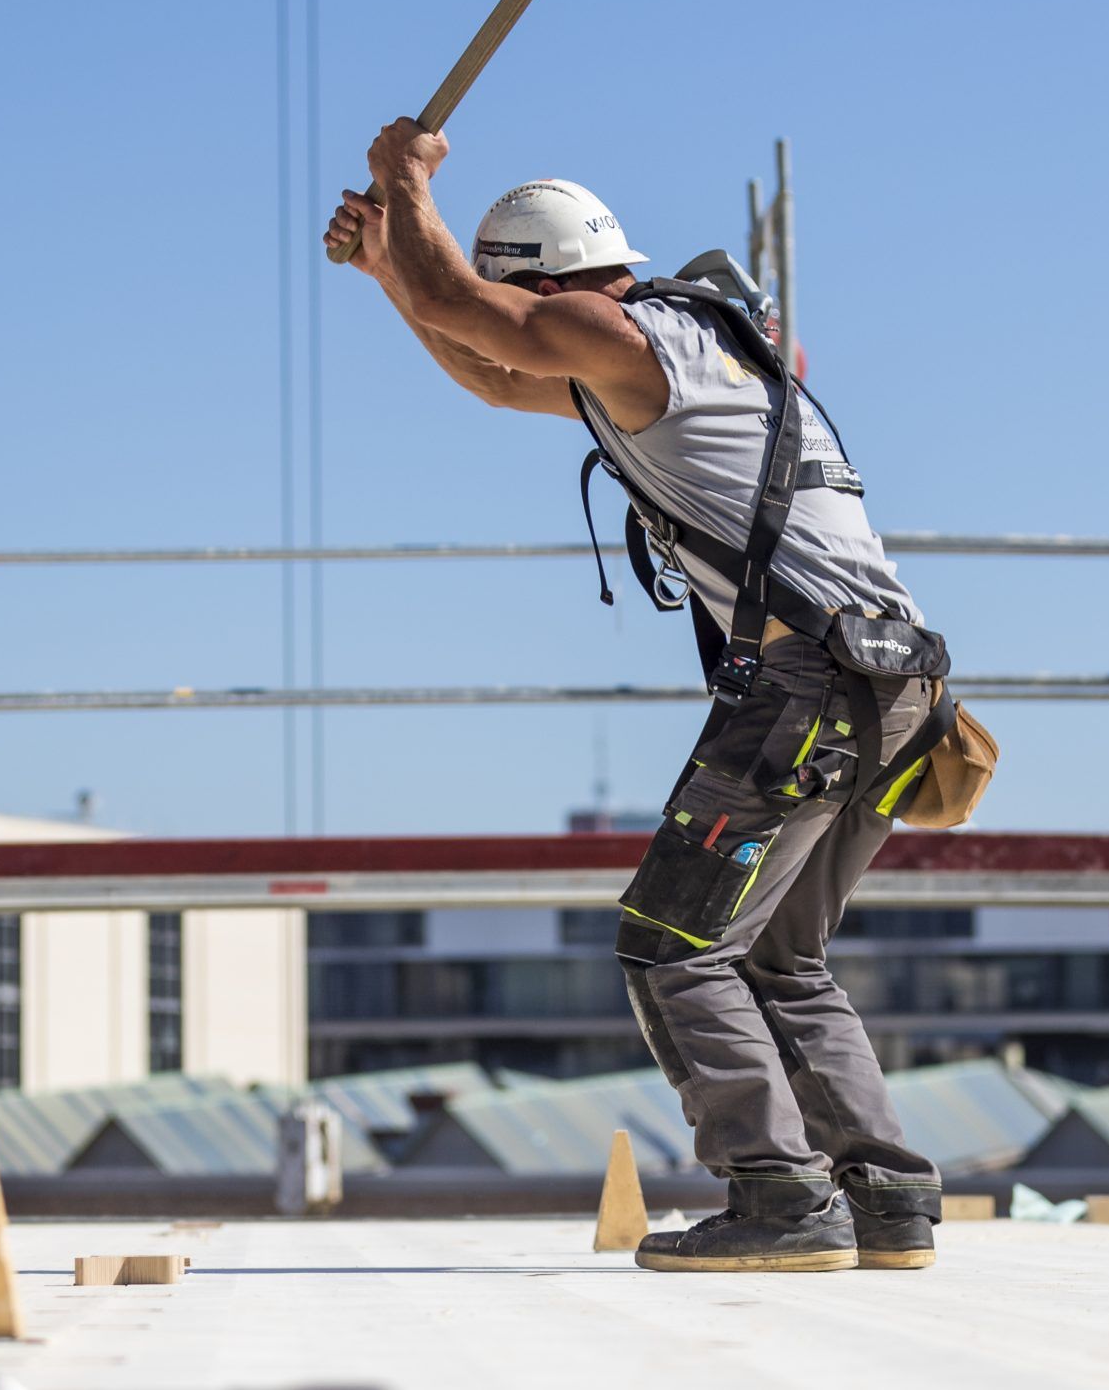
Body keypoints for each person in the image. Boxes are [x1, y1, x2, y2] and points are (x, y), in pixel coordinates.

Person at [330, 119, 947, 1273]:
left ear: (546, 283)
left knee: (670, 944)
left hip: (809, 678)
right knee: (779, 960)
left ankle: (779, 1201)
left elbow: (479, 318)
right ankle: (885, 1203)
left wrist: (408, 189)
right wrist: (387, 271)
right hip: (894, 681)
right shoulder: (682, 355)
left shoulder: (612, 329)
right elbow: (488, 367)